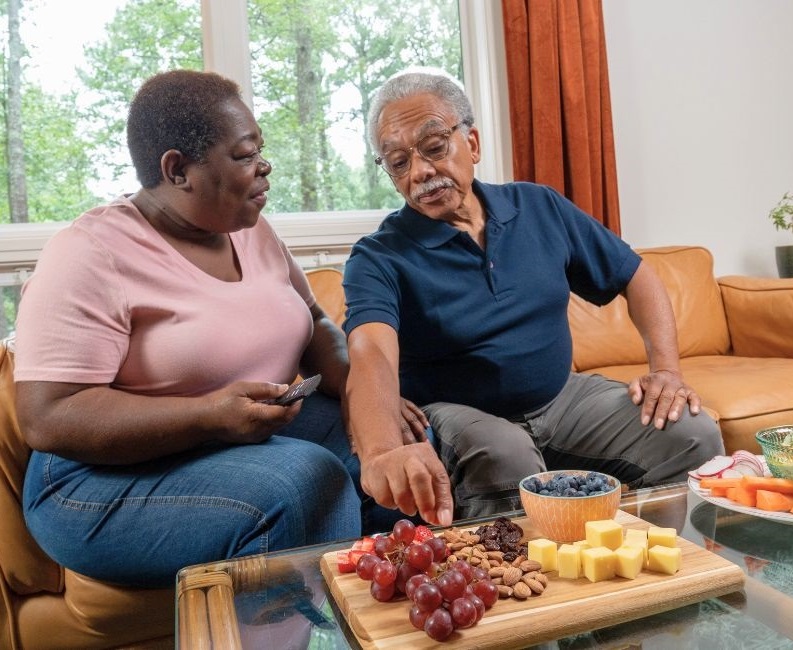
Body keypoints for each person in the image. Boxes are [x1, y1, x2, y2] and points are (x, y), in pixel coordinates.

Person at [13, 69, 422, 589]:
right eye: (246, 156)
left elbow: (316, 322)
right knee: (304, 486)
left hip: (236, 438)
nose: (265, 169)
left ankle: (402, 621)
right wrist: (207, 415)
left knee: (408, 442)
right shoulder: (89, 253)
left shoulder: (249, 229)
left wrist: (364, 394)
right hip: (95, 479)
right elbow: (48, 417)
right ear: (178, 169)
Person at [342, 68, 725, 527]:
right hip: (457, 414)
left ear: (474, 144)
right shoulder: (379, 254)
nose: (420, 171)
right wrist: (382, 448)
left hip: (560, 398)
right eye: (398, 162)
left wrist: (666, 370)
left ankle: (658, 577)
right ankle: (522, 591)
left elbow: (638, 276)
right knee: (506, 454)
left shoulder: (538, 207)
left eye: (434, 147)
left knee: (692, 432)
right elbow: (370, 350)